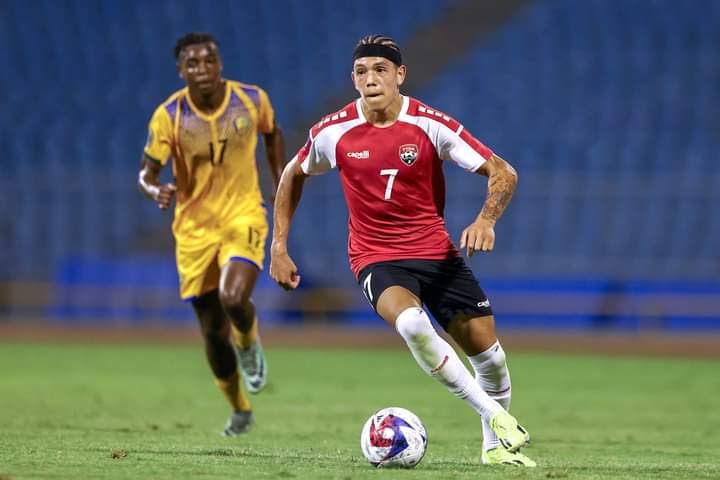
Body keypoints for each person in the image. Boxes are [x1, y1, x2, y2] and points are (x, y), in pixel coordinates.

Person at [270, 35, 535, 466]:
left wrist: (486, 220)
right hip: (376, 257)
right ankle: (495, 416)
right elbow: (291, 174)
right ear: (352, 80)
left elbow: (503, 171)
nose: (370, 80)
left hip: (437, 254)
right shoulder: (333, 131)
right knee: (411, 324)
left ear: (400, 75)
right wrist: (278, 246)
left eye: (380, 70)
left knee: (492, 360)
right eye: (361, 72)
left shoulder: (430, 125)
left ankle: (493, 449)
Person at [138, 32, 285, 436]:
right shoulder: (169, 115)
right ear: (181, 70)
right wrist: (156, 189)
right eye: (193, 64)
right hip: (194, 230)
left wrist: (280, 179)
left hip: (244, 214)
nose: (202, 70)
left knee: (234, 297)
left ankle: (250, 345)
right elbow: (146, 172)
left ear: (220, 64)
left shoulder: (252, 100)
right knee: (211, 331)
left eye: (209, 61)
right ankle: (240, 408)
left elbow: (272, 133)